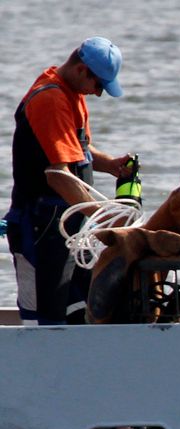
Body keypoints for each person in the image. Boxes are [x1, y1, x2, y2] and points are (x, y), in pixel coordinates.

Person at [6, 37, 134, 324]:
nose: (98, 94)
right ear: (80, 70)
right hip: (40, 228)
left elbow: (80, 151)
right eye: (98, 85)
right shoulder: (50, 99)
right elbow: (59, 177)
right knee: (44, 318)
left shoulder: (72, 94)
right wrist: (103, 217)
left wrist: (111, 165)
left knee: (79, 308)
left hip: (71, 228)